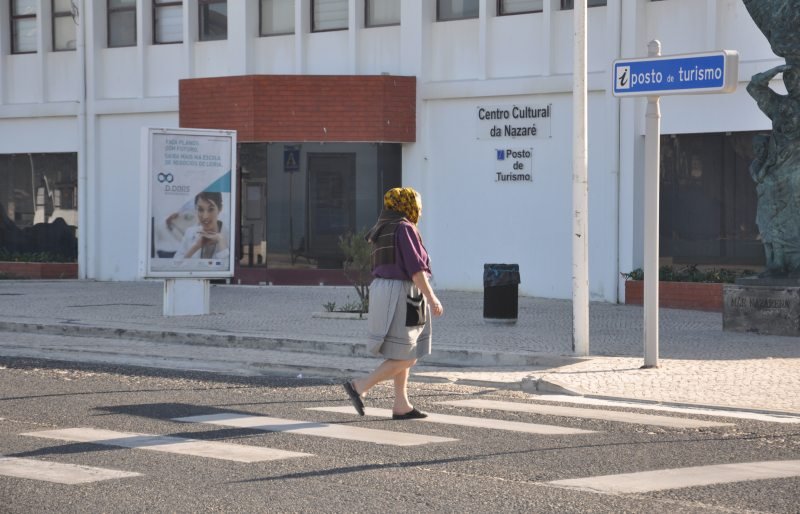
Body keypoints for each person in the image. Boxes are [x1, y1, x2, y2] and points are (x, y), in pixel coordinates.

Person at [343, 187, 444, 420]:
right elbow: (416, 268)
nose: (420, 209)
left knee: (403, 349)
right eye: (417, 204)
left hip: (385, 289)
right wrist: (432, 297)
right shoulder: (405, 228)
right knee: (408, 354)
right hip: (403, 291)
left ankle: (401, 404)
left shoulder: (382, 227)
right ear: (407, 205)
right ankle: (360, 386)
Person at [746, 63, 800, 276]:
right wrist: (773, 72)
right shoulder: (779, 105)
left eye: (795, 77)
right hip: (776, 175)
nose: (792, 82)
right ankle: (777, 264)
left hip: (796, 173)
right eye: (788, 78)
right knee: (773, 220)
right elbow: (754, 88)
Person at [173, 192, 229, 260]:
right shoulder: (190, 232)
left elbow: (228, 267)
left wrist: (221, 240)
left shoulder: (230, 235)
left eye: (211, 209)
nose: (205, 216)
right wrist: (196, 247)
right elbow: (176, 265)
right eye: (200, 209)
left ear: (220, 208)